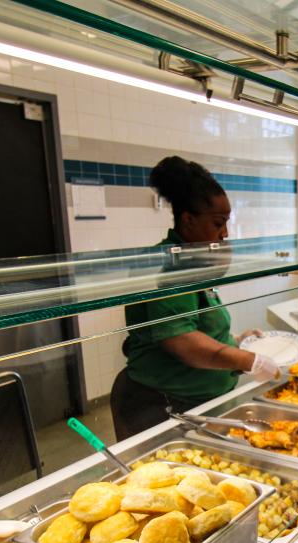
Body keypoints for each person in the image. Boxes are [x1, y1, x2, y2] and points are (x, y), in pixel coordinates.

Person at [110, 156, 278, 440]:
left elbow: (197, 322)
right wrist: (247, 359)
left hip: (197, 404)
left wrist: (234, 340)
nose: (225, 233)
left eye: (226, 223)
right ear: (188, 220)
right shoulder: (170, 265)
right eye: (217, 223)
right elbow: (182, 341)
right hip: (158, 406)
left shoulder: (192, 260)